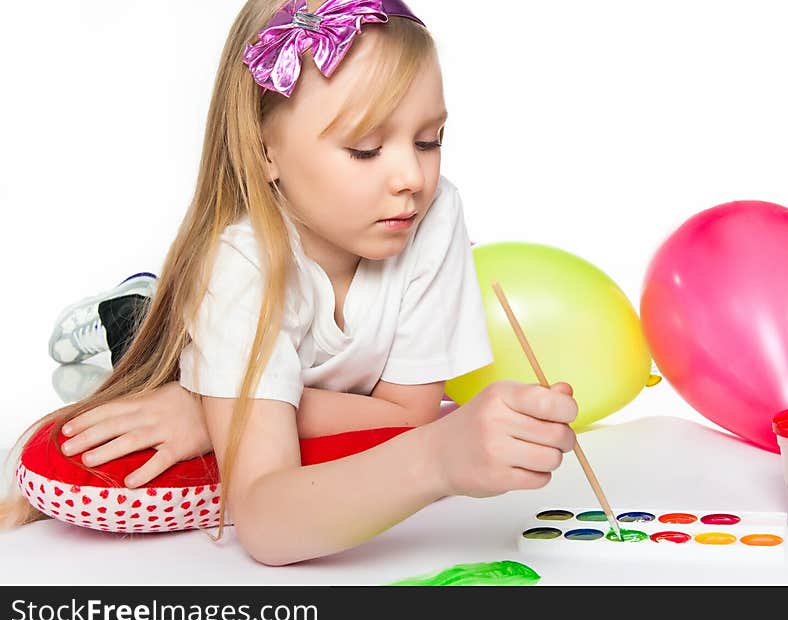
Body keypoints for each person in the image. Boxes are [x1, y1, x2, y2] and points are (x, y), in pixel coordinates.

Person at [1, 0, 578, 566]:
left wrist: (214, 411)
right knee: (143, 338)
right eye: (366, 149)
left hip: (275, 366)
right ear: (263, 148)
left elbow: (407, 415)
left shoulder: (435, 212)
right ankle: (128, 311)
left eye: (429, 141)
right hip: (207, 321)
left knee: (229, 382)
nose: (411, 177)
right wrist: (436, 461)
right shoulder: (238, 266)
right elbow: (266, 522)